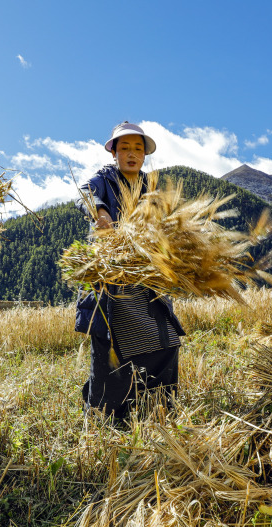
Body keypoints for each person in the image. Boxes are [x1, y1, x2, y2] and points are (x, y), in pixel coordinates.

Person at [75, 121, 185, 424]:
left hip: (147, 279)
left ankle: (157, 411)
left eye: (138, 148)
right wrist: (100, 212)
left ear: (145, 155)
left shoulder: (151, 187)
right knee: (113, 351)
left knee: (164, 341)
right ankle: (106, 418)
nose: (132, 154)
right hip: (112, 282)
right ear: (114, 152)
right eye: (125, 148)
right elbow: (84, 193)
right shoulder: (104, 179)